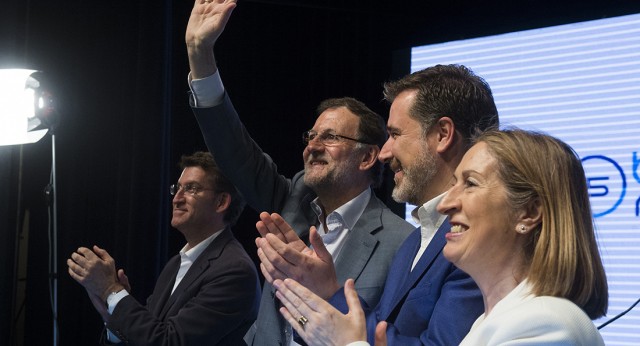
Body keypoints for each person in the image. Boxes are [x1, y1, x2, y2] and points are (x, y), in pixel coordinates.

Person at [184, 1, 415, 345]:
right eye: (311, 136)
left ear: (368, 157)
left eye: (331, 137)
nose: (313, 146)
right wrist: (200, 56)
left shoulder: (401, 242)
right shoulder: (291, 199)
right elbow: (234, 150)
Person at [274, 129, 609, 346]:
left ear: (529, 213)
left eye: (471, 183)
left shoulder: (545, 326)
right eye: (455, 183)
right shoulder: (491, 322)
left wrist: (349, 344)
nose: (447, 202)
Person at [256, 64, 499, 345]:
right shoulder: (413, 244)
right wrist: (320, 293)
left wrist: (332, 300)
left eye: (395, 135)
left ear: (443, 134)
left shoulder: (479, 239)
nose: (385, 152)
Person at [67, 151, 261, 345]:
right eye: (177, 188)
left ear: (221, 202)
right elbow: (150, 335)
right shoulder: (175, 264)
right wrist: (111, 313)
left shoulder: (235, 271)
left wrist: (112, 290)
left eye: (191, 188)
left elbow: (170, 341)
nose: (177, 198)